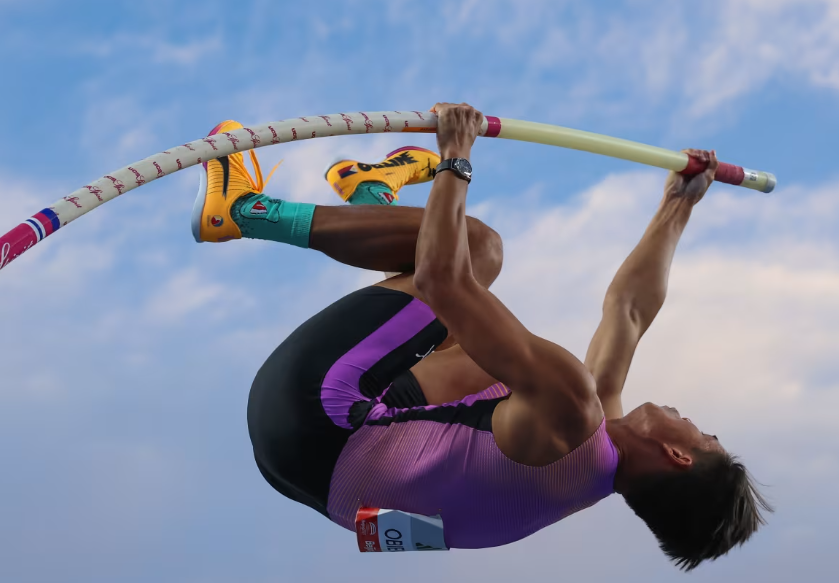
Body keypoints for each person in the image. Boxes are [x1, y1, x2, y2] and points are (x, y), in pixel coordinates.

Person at [191, 103, 771, 570]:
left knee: (478, 251)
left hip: (314, 417)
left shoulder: (570, 412)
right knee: (488, 361)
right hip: (308, 480)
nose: (698, 422)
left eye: (707, 437)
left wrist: (456, 157)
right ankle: (371, 199)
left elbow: (442, 280)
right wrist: (678, 205)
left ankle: (244, 211)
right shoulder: (587, 456)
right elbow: (630, 312)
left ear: (677, 455)